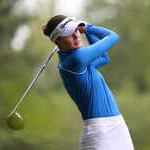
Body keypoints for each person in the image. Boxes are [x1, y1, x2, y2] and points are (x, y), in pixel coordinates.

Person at [42, 15, 134, 150]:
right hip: (100, 133)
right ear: (57, 42)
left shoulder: (76, 61)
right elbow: (113, 36)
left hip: (117, 126)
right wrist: (88, 27)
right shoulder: (76, 60)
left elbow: (104, 58)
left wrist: (86, 30)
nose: (76, 35)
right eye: (69, 34)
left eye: (76, 30)